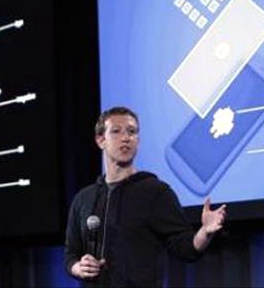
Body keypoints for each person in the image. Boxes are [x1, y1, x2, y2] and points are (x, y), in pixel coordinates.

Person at [64, 106, 226, 287]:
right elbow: (71, 254)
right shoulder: (83, 199)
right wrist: (77, 267)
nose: (126, 138)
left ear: (138, 141)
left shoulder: (156, 192)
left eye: (132, 132)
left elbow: (185, 247)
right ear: (100, 140)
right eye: (116, 131)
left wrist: (205, 232)